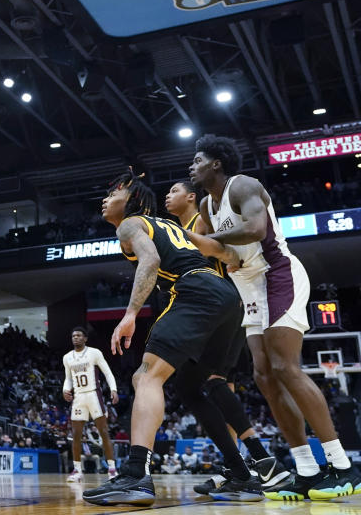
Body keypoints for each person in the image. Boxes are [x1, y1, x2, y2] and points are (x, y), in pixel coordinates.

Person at [188, 134, 361, 500]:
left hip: (277, 274)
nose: (191, 167)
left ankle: (344, 466)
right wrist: (181, 238)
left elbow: (255, 229)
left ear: (216, 163)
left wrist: (212, 241)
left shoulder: (244, 186)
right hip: (249, 286)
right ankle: (305, 469)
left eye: (198, 160)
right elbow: (212, 248)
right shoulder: (208, 206)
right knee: (264, 375)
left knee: (286, 367)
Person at [82, 170, 261, 507]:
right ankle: (241, 473)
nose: (106, 199)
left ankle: (136, 474)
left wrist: (131, 314)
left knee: (146, 376)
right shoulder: (172, 226)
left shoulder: (131, 224)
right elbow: (228, 255)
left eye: (115, 192)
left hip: (193, 291)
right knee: (192, 387)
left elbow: (150, 260)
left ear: (133, 199)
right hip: (227, 297)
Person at [164, 181, 289, 492]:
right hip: (219, 309)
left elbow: (230, 246)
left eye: (173, 191)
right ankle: (240, 467)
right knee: (218, 385)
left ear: (191, 196)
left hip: (221, 307)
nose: (167, 196)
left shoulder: (201, 219)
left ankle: (258, 461)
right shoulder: (181, 227)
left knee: (203, 384)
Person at [63, 326, 118, 482]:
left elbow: (107, 372)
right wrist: (65, 390)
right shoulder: (67, 357)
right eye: (73, 336)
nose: (76, 338)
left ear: (85, 338)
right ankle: (77, 470)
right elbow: (68, 378)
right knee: (76, 435)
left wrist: (113, 389)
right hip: (79, 397)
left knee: (104, 432)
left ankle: (112, 469)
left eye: (79, 335)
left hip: (94, 394)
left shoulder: (94, 353)